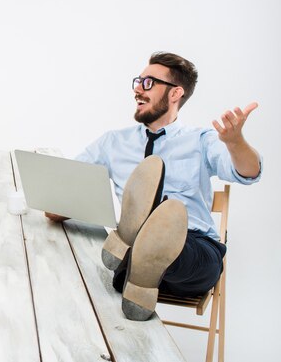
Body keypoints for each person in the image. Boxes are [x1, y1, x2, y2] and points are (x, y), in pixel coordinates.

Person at [46, 52, 262, 321]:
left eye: (148, 83)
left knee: (171, 244)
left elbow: (249, 172)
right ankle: (135, 239)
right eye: (138, 81)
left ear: (175, 94)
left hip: (191, 249)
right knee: (132, 257)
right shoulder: (113, 142)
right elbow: (66, 185)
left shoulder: (201, 140)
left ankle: (140, 239)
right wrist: (58, 204)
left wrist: (235, 142)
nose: (138, 88)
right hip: (133, 262)